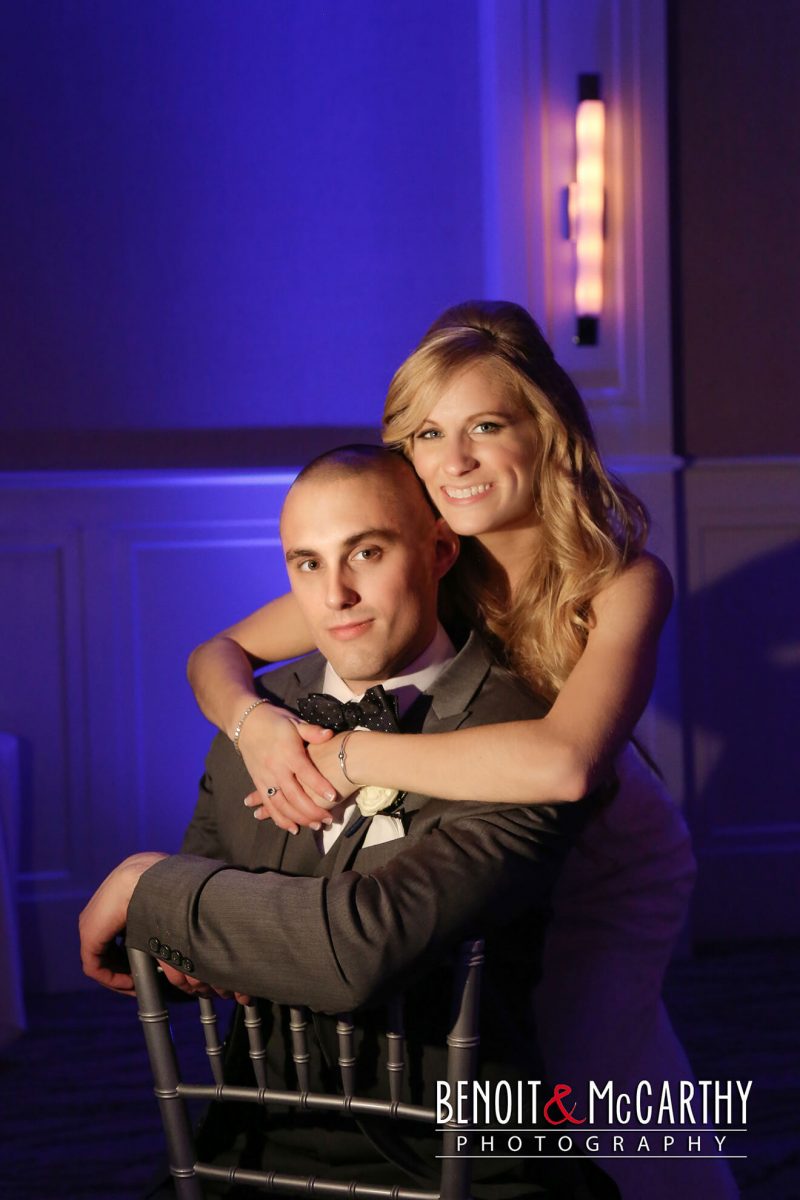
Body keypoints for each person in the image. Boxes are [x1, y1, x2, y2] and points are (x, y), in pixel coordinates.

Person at [184, 302, 738, 1199]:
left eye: (487, 425)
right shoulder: (427, 561)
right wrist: (259, 726)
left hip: (608, 869)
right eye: (429, 433)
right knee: (495, 1074)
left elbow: (565, 764)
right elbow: (215, 656)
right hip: (501, 848)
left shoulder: (624, 578)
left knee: (594, 1093)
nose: (456, 460)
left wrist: (348, 758)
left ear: (546, 429)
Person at [80, 446, 618, 1199]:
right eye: (306, 563)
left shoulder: (517, 732)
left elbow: (359, 950)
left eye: (366, 552)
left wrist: (149, 885)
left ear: (437, 551)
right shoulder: (256, 718)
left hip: (456, 1158)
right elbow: (183, 955)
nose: (334, 595)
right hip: (246, 1150)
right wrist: (190, 916)